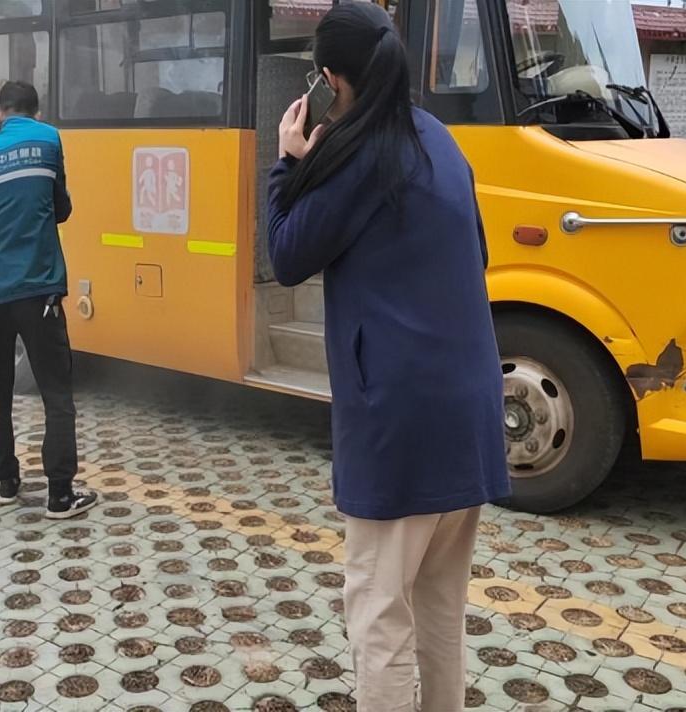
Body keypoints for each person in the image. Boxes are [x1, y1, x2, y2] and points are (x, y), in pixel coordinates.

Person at [266, 4, 510, 712]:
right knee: (439, 605)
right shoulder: (439, 138)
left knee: (378, 611)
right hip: (469, 410)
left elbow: (286, 254)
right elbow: (477, 254)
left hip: (400, 422)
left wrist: (287, 162)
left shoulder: (360, 154)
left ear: (331, 80)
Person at [0, 80, 97, 520]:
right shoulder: (49, 139)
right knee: (56, 394)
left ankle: (7, 481)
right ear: (37, 113)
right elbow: (62, 208)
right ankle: (60, 495)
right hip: (37, 288)